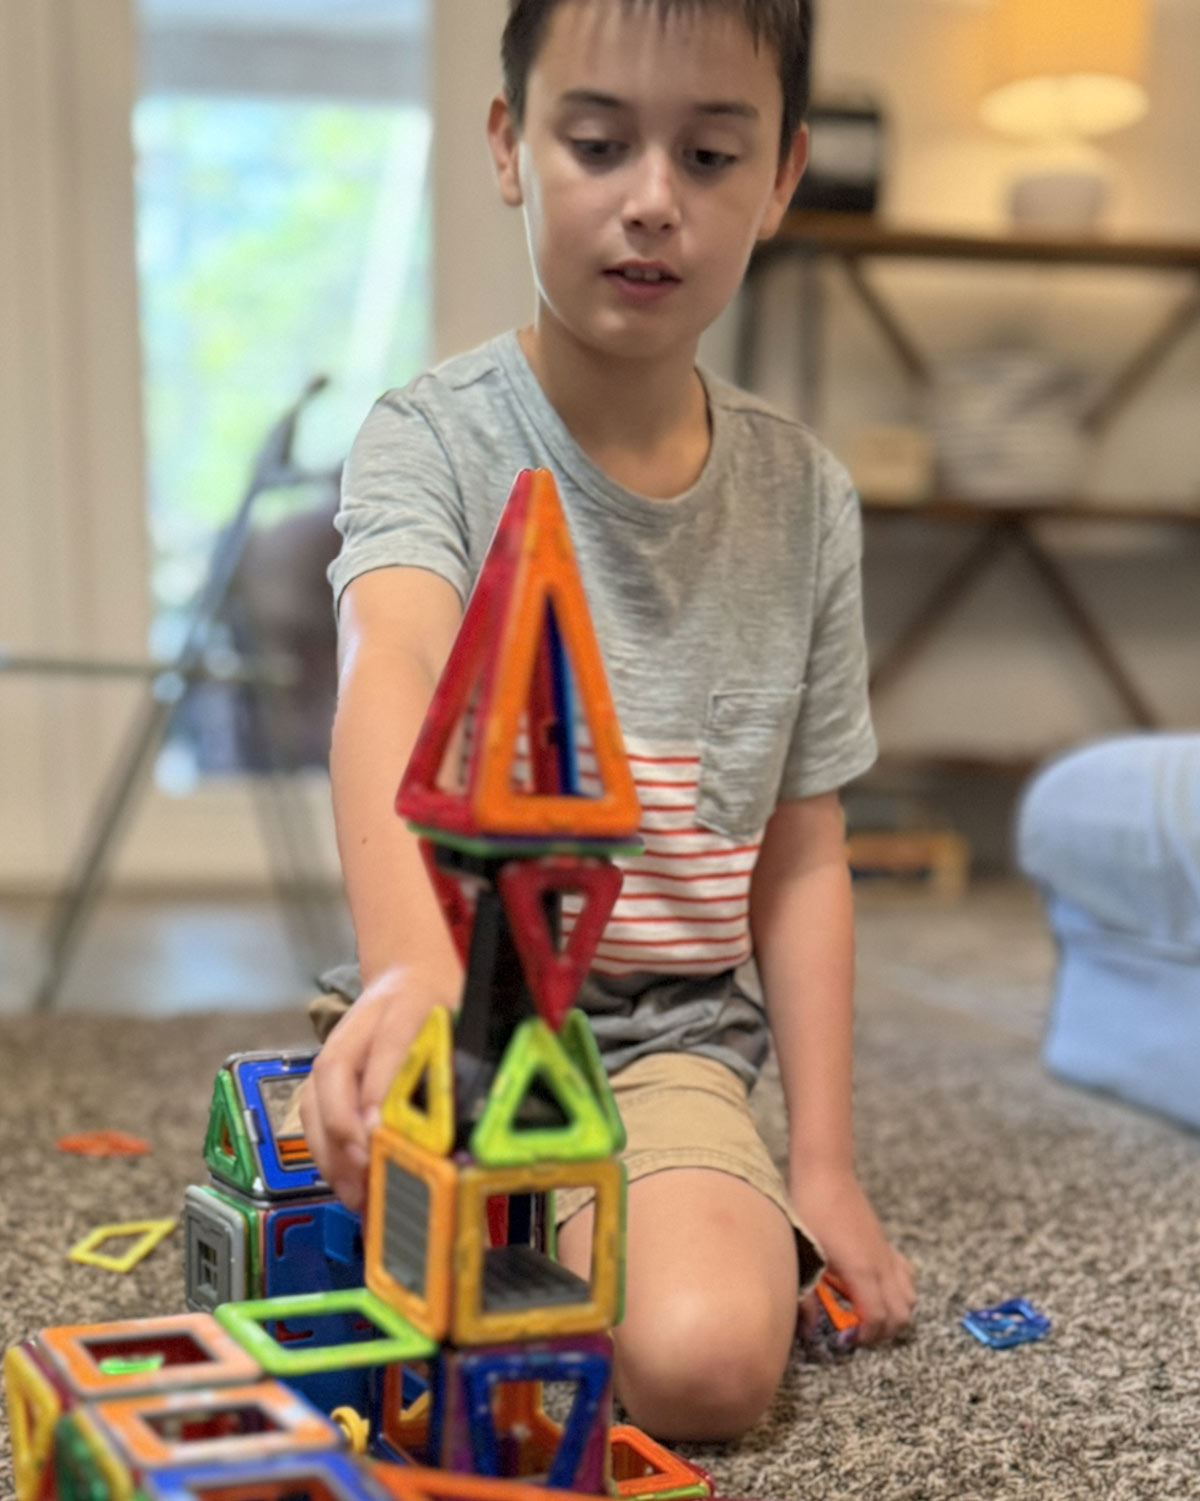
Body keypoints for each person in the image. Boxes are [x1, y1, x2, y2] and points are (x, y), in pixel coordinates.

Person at [300, 0, 916, 1443]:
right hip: (452, 1005)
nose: (651, 200)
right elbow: (385, 668)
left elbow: (806, 844)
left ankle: (631, 1226)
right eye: (597, 141)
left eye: (710, 156)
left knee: (707, 1366)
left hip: (664, 1037)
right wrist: (411, 975)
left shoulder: (806, 498)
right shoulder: (430, 437)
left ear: (780, 179)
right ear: (512, 147)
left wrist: (818, 1161)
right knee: (382, 1304)